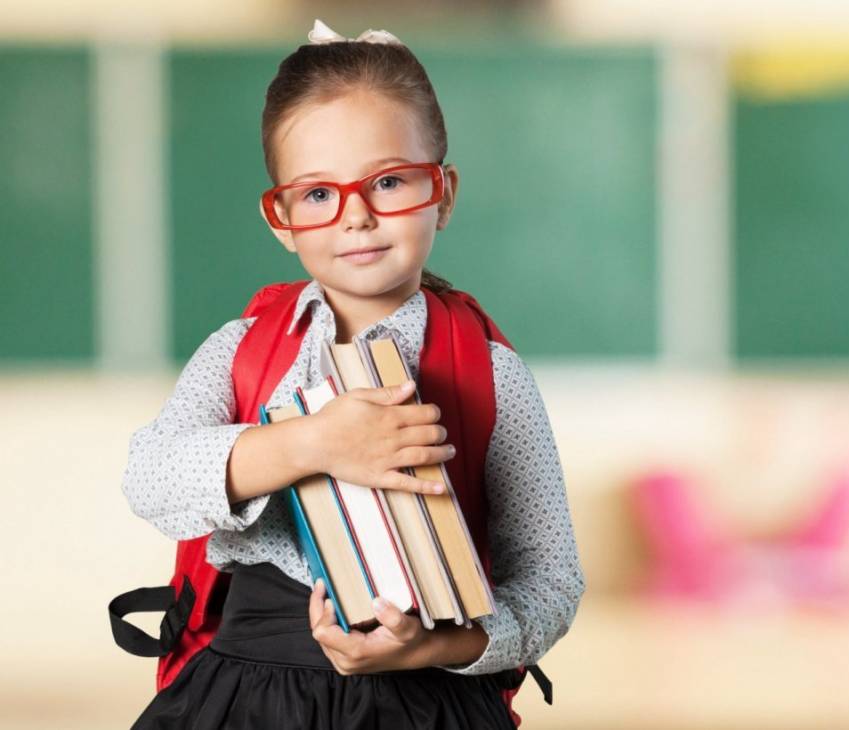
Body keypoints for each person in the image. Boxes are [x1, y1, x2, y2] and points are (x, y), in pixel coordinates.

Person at [121, 19, 585, 729]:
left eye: (390, 181)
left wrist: (438, 646)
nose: (357, 217)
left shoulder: (491, 374)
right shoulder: (244, 348)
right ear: (281, 218)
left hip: (424, 693)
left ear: (445, 192)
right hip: (243, 698)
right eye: (317, 195)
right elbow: (149, 478)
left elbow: (551, 580)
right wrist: (314, 444)